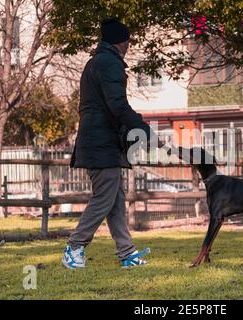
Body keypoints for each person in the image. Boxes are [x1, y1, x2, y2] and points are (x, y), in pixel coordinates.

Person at [62, 18, 162, 269]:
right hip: (101, 143)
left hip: (101, 140)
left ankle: (127, 253)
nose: (129, 45)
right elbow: (117, 105)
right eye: (128, 40)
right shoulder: (110, 64)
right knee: (104, 198)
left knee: (115, 199)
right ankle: (75, 246)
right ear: (122, 41)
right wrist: (142, 129)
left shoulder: (95, 63)